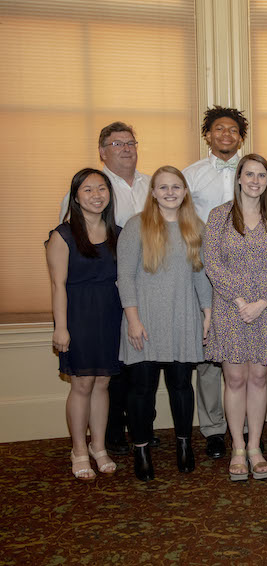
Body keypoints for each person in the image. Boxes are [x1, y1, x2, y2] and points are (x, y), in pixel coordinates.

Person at [58, 122, 152, 457]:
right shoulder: (74, 215)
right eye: (116, 143)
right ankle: (94, 444)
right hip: (89, 306)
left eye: (130, 142)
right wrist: (61, 326)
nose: (126, 148)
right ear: (102, 151)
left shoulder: (148, 189)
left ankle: (125, 437)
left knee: (125, 376)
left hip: (133, 301)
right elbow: (63, 272)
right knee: (94, 379)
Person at [117, 166, 212, 481]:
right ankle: (141, 449)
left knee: (182, 387)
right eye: (163, 187)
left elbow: (201, 275)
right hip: (143, 318)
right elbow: (125, 277)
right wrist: (132, 320)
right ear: (153, 192)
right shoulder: (136, 226)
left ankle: (184, 445)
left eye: (176, 186)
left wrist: (207, 312)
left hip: (183, 317)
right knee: (141, 389)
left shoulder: (195, 226)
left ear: (185, 191)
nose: (170, 192)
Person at [204, 154, 267, 481]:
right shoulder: (219, 217)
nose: (255, 180)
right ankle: (237, 447)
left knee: (258, 379)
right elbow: (213, 265)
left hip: (266, 311)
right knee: (235, 379)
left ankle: (255, 446)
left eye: (261, 176)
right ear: (239, 178)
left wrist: (262, 302)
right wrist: (241, 301)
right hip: (229, 309)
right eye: (249, 174)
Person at [47, 168, 123, 480]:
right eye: (88, 190)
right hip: (77, 315)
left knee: (102, 383)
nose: (96, 195)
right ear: (76, 196)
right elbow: (57, 286)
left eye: (102, 189)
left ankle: (99, 446)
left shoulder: (119, 233)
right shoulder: (62, 235)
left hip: (111, 314)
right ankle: (79, 449)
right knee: (81, 383)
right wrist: (61, 327)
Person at [183, 105, 248, 460]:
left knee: (248, 354)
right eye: (219, 129)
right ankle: (212, 428)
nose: (226, 135)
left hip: (249, 274)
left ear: (241, 137)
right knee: (210, 354)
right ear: (208, 135)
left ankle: (248, 427)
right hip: (206, 272)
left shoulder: (254, 171)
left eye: (233, 130)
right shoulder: (190, 176)